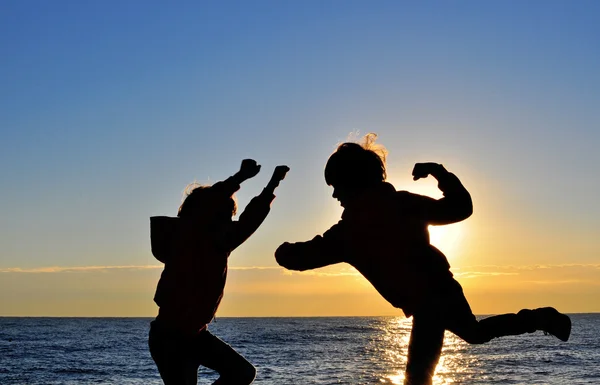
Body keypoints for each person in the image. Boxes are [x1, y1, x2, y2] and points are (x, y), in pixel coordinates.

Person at [274, 133, 571, 385]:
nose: (335, 194)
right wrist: (439, 173)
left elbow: (305, 256)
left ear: (353, 184)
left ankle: (539, 318)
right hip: (437, 295)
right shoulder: (393, 208)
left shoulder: (353, 231)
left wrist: (283, 252)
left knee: (419, 375)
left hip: (433, 299)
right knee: (474, 335)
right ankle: (540, 317)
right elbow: (460, 207)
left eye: (337, 186)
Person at [150, 159, 289, 385]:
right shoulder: (186, 236)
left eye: (229, 218)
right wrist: (240, 177)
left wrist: (272, 184)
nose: (229, 223)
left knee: (242, 372)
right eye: (224, 216)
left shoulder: (221, 242)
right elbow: (208, 204)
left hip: (195, 335)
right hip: (170, 336)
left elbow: (250, 220)